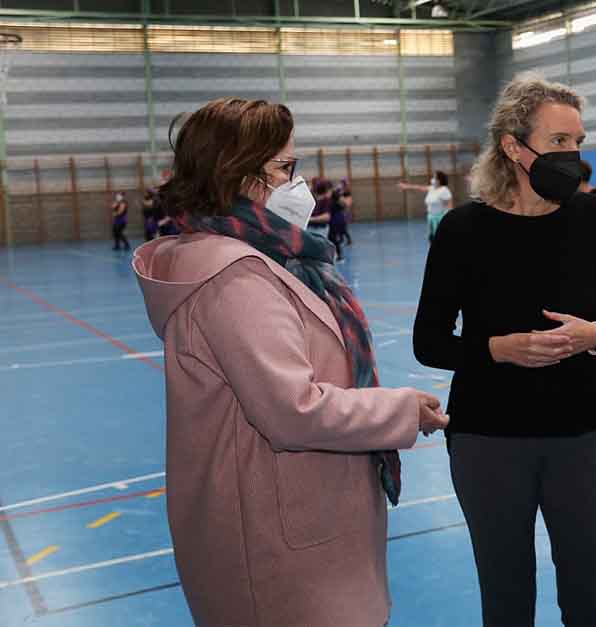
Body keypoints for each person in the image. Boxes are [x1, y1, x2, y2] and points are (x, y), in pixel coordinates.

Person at [132, 97, 448, 626]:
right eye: (285, 167)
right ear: (238, 175)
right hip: (280, 544)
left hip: (304, 518)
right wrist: (401, 412)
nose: (297, 183)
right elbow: (291, 410)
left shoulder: (265, 260)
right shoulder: (235, 279)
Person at [412, 74, 596, 627]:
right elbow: (429, 340)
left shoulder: (595, 220)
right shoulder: (462, 229)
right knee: (506, 597)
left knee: (590, 600)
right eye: (559, 142)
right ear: (515, 146)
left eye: (578, 142)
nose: (573, 155)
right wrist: (495, 349)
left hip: (585, 435)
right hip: (489, 439)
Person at [398, 170, 453, 242]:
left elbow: (450, 206)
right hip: (431, 217)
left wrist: (449, 220)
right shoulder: (432, 188)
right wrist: (406, 187)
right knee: (432, 239)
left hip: (440, 219)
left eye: (434, 177)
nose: (432, 179)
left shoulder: (444, 190)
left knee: (441, 239)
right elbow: (418, 187)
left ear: (439, 180)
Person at [334, 178, 354, 246]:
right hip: (341, 211)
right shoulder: (340, 191)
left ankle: (348, 239)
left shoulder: (346, 192)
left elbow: (348, 203)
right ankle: (342, 239)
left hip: (344, 212)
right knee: (340, 226)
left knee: (343, 227)